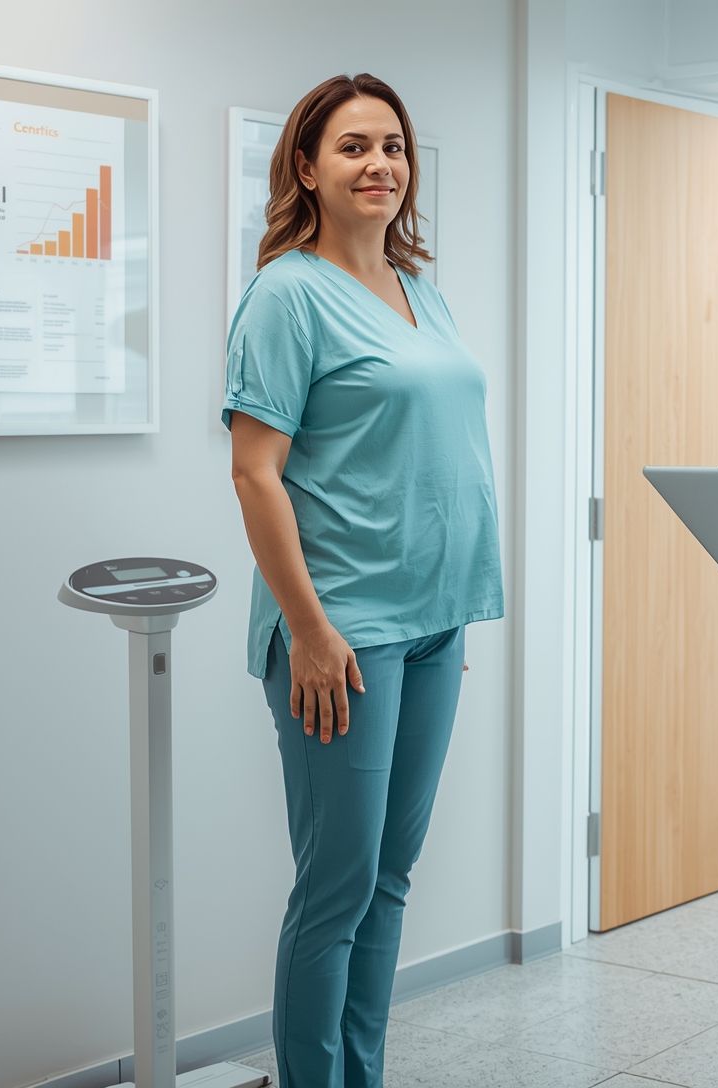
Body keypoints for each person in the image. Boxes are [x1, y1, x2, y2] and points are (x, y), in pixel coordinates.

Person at [222, 73, 503, 1088]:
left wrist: (442, 611)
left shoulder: (423, 291)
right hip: (339, 629)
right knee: (336, 886)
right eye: (352, 147)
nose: (379, 163)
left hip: (433, 625)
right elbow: (256, 471)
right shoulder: (287, 293)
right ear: (306, 165)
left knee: (389, 878)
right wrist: (307, 628)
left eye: (392, 145)